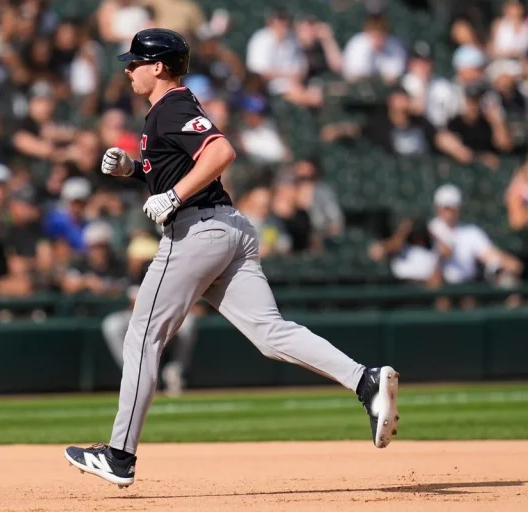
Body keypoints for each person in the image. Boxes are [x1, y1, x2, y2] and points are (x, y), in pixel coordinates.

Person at [63, 28, 400, 488]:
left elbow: (221, 151)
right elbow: (176, 163)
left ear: (158, 66)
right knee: (270, 333)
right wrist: (135, 169)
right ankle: (365, 380)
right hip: (228, 228)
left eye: (135, 62)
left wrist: (174, 195)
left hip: (197, 231)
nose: (128, 69)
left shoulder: (173, 104)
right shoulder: (169, 110)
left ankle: (120, 456)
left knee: (141, 335)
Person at [102, 285, 199, 398]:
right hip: (137, 314)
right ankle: (137, 373)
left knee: (188, 322)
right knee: (113, 325)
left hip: (169, 312)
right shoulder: (133, 272)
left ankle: (175, 370)